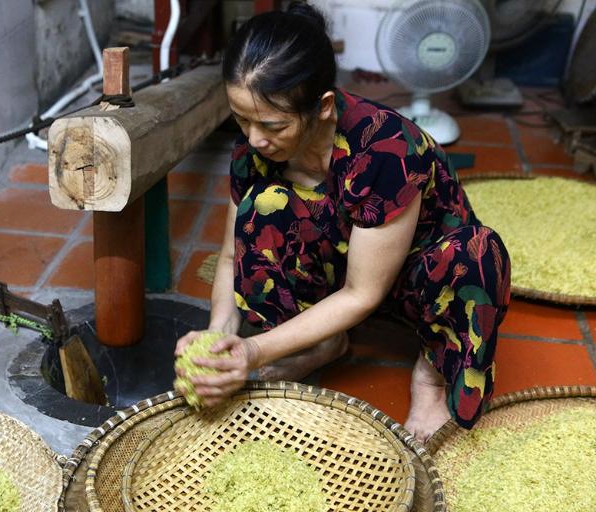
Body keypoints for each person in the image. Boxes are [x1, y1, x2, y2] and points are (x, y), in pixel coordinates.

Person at [174, 1, 511, 442]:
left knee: (477, 255)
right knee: (263, 208)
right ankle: (322, 343)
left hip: (416, 274)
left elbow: (363, 293)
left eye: (273, 125)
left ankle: (432, 373)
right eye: (241, 118)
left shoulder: (387, 150)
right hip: (348, 262)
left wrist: (253, 351)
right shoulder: (254, 152)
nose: (255, 138)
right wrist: (219, 336)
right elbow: (227, 257)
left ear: (324, 107)